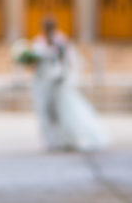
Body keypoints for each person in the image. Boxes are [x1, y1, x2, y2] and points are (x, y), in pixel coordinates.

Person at [28, 18, 108, 152]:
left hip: (57, 80)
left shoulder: (60, 41)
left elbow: (67, 61)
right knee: (45, 111)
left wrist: (63, 75)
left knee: (62, 110)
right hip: (42, 81)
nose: (46, 30)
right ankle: (50, 140)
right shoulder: (38, 41)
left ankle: (67, 138)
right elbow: (34, 63)